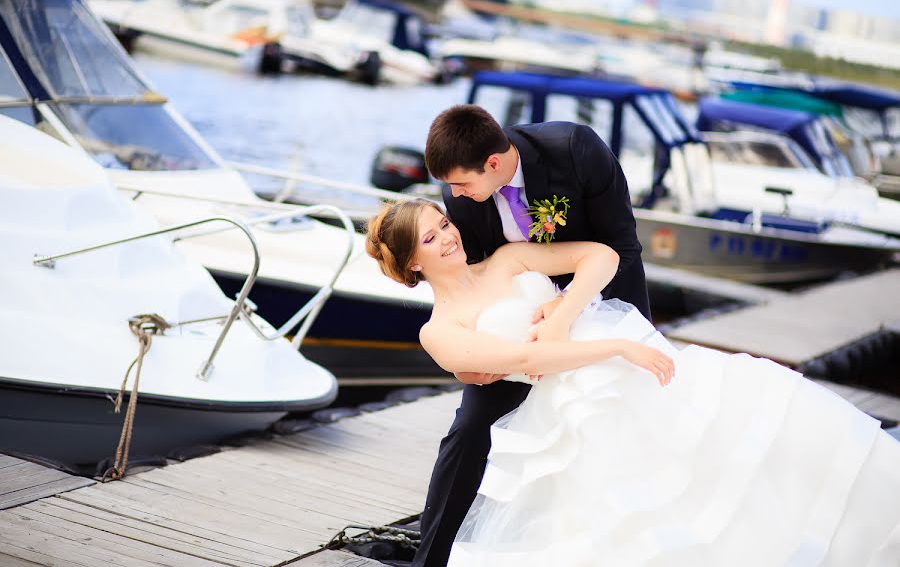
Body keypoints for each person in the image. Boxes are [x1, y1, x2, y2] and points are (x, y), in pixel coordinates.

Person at [365, 199, 900, 566]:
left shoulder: (508, 257)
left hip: (633, 363)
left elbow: (598, 255)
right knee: (647, 505)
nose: (448, 237)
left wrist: (568, 304)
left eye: (444, 223)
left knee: (744, 438)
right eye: (430, 238)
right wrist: (619, 347)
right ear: (412, 260)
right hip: (576, 403)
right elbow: (532, 358)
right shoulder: (440, 331)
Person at [411, 104, 651, 566]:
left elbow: (622, 246)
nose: (453, 194)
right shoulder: (463, 198)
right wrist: (471, 357)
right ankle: (431, 556)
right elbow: (472, 278)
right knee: (469, 428)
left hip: (602, 301)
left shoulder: (576, 151)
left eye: (462, 182)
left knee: (616, 425)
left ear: (495, 164)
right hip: (522, 318)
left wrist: (566, 310)